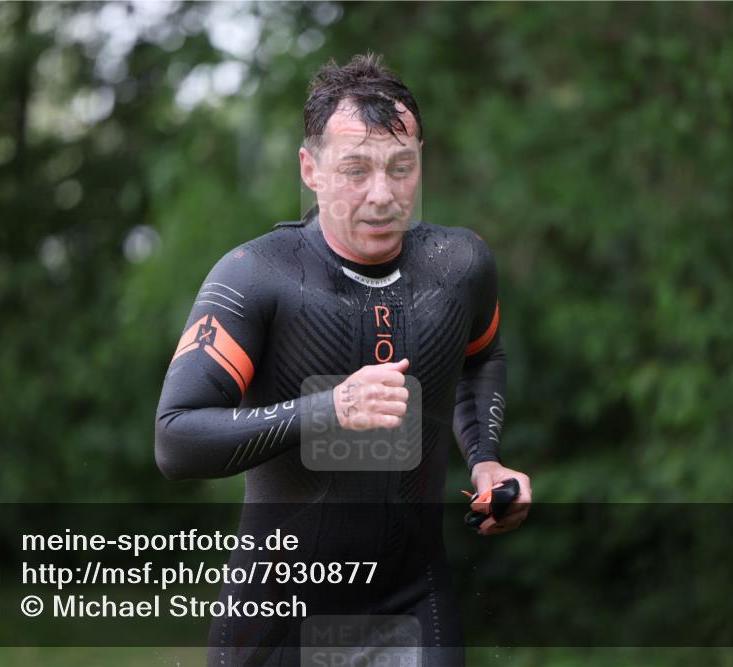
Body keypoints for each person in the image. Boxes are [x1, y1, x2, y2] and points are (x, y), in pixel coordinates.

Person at [155, 52, 532, 667]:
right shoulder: (257, 276)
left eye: (401, 168)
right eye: (356, 170)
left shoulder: (460, 266)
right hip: (278, 619)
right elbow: (176, 439)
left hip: (413, 606)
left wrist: (486, 460)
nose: (382, 195)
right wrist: (328, 408)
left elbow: (482, 357)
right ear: (311, 169)